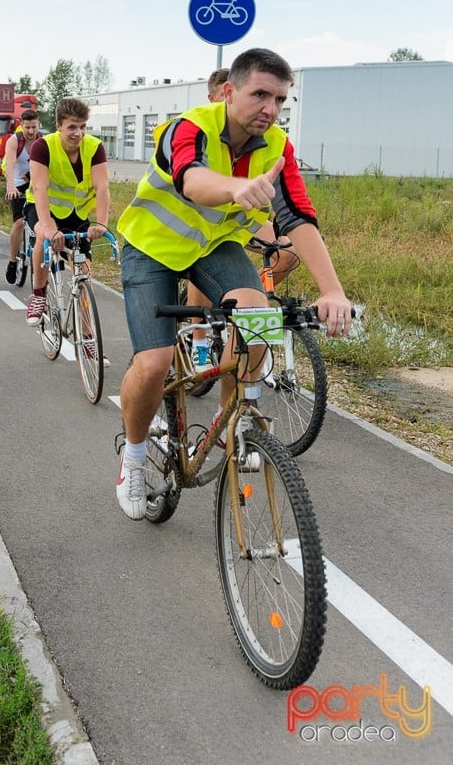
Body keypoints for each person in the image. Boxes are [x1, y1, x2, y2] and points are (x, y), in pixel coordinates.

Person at [115, 47, 352, 520]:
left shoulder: (276, 147)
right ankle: (135, 459)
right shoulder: (191, 126)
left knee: (258, 318)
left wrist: (333, 291)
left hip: (211, 247)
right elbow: (190, 178)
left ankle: (232, 429)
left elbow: (299, 217)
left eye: (280, 99)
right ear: (229, 91)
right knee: (155, 361)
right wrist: (235, 188)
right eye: (260, 94)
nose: (270, 108)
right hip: (150, 247)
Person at [188, 67, 298, 371]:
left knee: (287, 252)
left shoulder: (265, 137)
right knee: (202, 255)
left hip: (240, 219)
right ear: (222, 96)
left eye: (278, 100)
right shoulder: (199, 130)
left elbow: (282, 193)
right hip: (201, 224)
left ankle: (247, 307)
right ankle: (199, 335)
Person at [24, 98, 110, 329]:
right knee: (42, 235)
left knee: (84, 275)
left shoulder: (94, 147)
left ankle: (89, 341)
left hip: (76, 214)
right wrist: (50, 229)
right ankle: (39, 295)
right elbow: (40, 189)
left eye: (83, 126)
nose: (78, 133)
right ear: (59, 125)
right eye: (72, 127)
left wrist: (101, 223)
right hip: (42, 208)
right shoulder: (43, 146)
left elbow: (102, 187)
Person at [4, 109, 40, 284]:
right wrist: (11, 187)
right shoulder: (14, 141)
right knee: (19, 223)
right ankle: (12, 261)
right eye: (27, 127)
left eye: (34, 127)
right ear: (21, 125)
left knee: (39, 223)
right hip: (17, 182)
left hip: (34, 183)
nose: (31, 131)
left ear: (38, 125)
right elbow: (9, 164)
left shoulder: (43, 141)